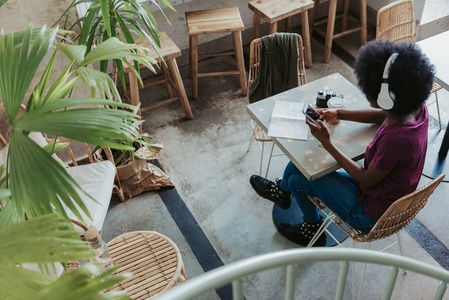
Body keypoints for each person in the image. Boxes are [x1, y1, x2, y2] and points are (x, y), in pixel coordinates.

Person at [250, 39, 435, 246]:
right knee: (300, 172)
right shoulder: (414, 108)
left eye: (367, 89)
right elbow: (381, 115)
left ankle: (303, 217)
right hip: (383, 193)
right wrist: (339, 113)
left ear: (386, 98)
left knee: (297, 179)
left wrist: (327, 143)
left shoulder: (398, 140)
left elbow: (366, 179)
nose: (364, 91)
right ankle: (285, 195)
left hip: (370, 215)